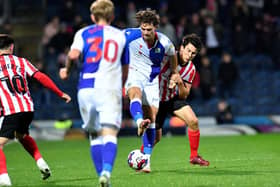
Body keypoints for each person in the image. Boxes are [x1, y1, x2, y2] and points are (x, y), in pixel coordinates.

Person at [59, 0, 128, 186]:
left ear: (92, 17)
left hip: (86, 89)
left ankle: (102, 177)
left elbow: (73, 55)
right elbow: (125, 67)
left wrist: (66, 70)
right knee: (110, 133)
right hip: (108, 89)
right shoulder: (120, 36)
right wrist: (121, 85)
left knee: (94, 135)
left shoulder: (82, 33)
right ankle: (106, 171)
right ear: (112, 16)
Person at [0, 34, 71, 186]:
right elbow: (41, 77)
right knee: (22, 135)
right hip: (28, 108)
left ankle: (4, 178)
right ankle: (41, 163)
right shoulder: (22, 62)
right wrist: (60, 93)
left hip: (11, 109)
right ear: (11, 47)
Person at [124, 8, 177, 173]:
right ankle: (139, 122)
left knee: (152, 118)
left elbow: (173, 55)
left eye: (149, 29)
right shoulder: (129, 35)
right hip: (134, 75)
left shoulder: (164, 42)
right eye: (143, 29)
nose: (145, 32)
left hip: (153, 81)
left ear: (156, 28)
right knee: (135, 93)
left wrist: (174, 73)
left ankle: (146, 160)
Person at [154, 34, 210, 166]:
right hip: (156, 100)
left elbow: (184, 95)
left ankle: (194, 156)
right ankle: (142, 158)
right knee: (155, 138)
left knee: (193, 121)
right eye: (188, 50)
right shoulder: (166, 57)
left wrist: (179, 82)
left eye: (193, 53)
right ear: (182, 47)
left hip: (173, 99)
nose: (190, 55)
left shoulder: (191, 69)